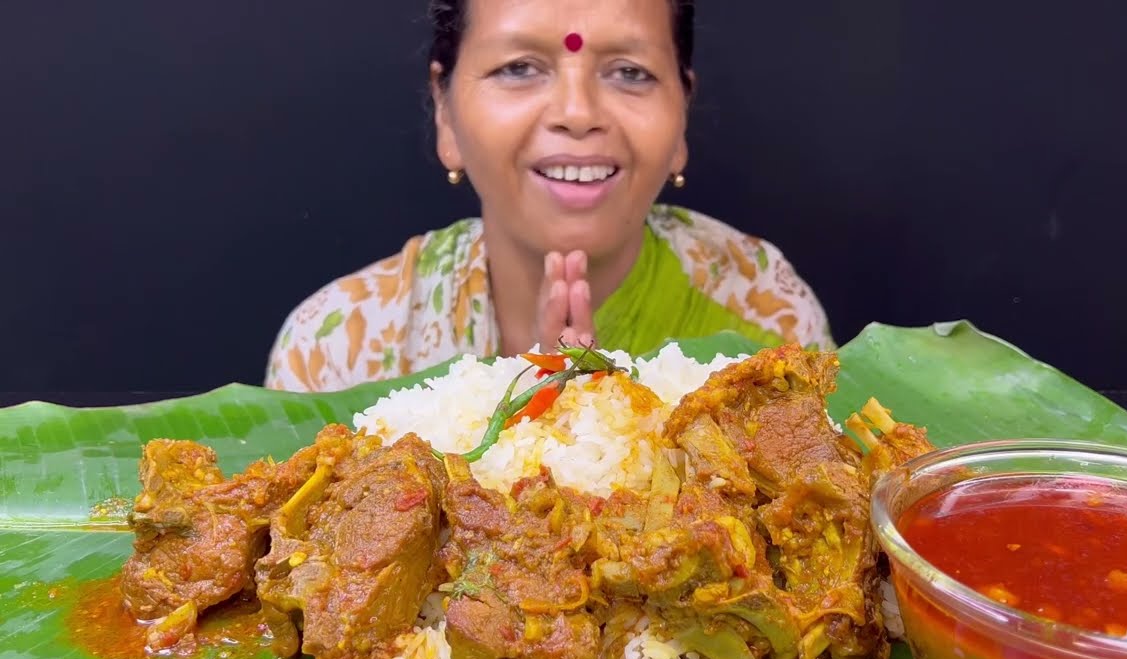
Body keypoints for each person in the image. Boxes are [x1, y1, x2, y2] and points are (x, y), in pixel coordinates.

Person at [266, 0, 833, 392]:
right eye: (519, 68)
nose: (578, 113)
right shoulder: (337, 350)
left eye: (630, 72)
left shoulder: (768, 322)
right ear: (444, 110)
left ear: (681, 114)